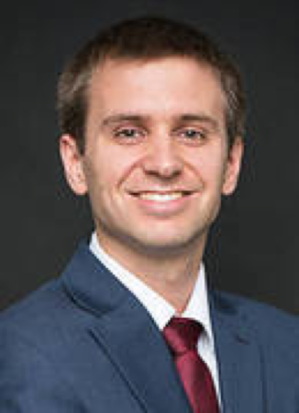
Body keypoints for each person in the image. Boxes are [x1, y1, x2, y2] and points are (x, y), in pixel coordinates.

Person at [0, 16, 298, 413]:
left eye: (191, 133)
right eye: (129, 132)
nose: (164, 164)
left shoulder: (288, 347)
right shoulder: (17, 357)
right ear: (75, 162)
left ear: (231, 163)